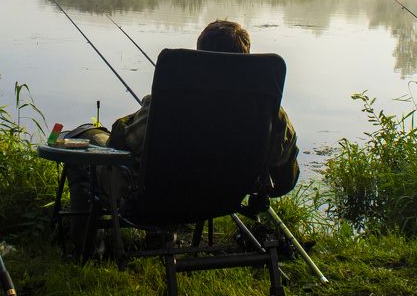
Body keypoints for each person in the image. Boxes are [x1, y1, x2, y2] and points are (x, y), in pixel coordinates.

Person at [64, 19, 300, 254]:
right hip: (224, 200)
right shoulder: (268, 111)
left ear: (200, 57)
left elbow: (123, 141)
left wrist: (129, 119)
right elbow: (284, 165)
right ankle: (160, 238)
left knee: (81, 141)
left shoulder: (171, 101)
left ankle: (85, 248)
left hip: (157, 198)